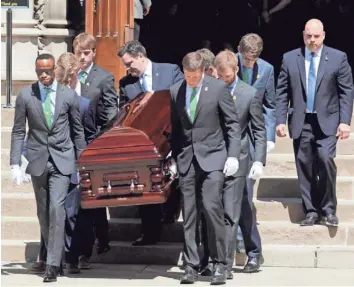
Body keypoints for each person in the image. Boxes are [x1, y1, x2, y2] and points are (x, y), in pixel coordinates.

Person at [10, 53, 86, 282]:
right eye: (39, 71)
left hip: (62, 159)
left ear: (55, 70)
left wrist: (82, 163)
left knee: (57, 208)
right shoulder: (26, 95)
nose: (43, 75)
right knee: (43, 213)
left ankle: (53, 265)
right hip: (38, 159)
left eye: (47, 70)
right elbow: (18, 131)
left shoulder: (68, 95)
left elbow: (78, 131)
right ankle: (56, 255)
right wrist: (15, 162)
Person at [169, 51, 241, 284]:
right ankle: (191, 265)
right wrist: (172, 157)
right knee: (188, 214)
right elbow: (176, 127)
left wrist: (232, 156)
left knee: (211, 209)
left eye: (195, 76)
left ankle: (220, 263)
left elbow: (232, 124)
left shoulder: (217, 89)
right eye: (188, 75)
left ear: (202, 71)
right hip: (187, 160)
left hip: (213, 157)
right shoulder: (175, 91)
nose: (191, 80)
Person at [276, 19, 354, 227]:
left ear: (323, 36)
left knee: (325, 159)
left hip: (327, 120)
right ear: (303, 35)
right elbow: (282, 92)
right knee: (304, 165)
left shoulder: (338, 58)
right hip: (302, 120)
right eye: (309, 36)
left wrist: (345, 121)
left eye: (316, 36)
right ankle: (310, 210)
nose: (312, 40)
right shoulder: (290, 58)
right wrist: (280, 120)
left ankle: (329, 210)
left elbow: (346, 91)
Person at [118, 40, 184, 246]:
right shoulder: (126, 83)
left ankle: (171, 214)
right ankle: (149, 232)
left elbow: (182, 99)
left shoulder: (170, 71)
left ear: (140, 56)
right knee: (144, 185)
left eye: (129, 64)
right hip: (144, 143)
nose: (127, 69)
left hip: (173, 137)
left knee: (174, 180)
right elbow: (124, 110)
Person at [215, 50, 267, 278]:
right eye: (220, 76)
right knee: (220, 208)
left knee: (243, 206)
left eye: (227, 77)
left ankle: (254, 251)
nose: (223, 80)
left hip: (243, 157)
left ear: (236, 70)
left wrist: (259, 160)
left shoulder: (249, 93)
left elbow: (258, 129)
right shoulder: (213, 89)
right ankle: (220, 257)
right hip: (217, 155)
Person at [73, 32, 119, 263]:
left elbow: (111, 111)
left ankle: (100, 238)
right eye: (78, 53)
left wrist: (104, 140)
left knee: (92, 194)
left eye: (86, 53)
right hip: (71, 142)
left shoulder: (104, 77)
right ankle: (84, 244)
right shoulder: (69, 74)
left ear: (93, 53)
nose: (82, 57)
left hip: (93, 140)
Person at [235, 33, 275, 272]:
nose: (250, 63)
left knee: (245, 195)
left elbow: (270, 104)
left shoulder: (267, 69)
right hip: (228, 139)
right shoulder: (228, 63)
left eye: (254, 59)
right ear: (239, 50)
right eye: (246, 58)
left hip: (252, 138)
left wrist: (268, 139)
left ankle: (252, 250)